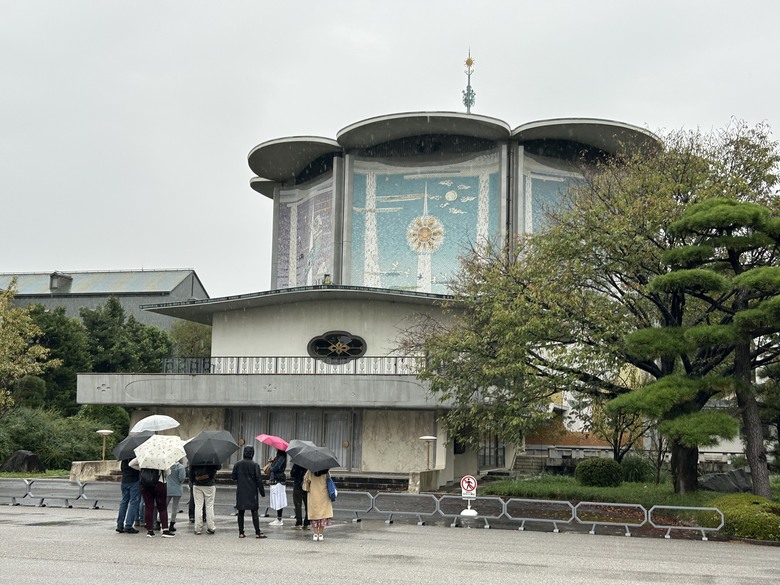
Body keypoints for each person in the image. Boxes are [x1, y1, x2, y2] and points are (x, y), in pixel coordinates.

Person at [130, 458, 174, 538]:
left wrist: (141, 468)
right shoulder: (162, 458)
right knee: (162, 508)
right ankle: (165, 530)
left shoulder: (144, 457)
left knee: (148, 506)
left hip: (145, 484)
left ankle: (150, 530)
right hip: (159, 484)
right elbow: (168, 472)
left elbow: (131, 464)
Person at [231, 446, 267, 539]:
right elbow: (259, 480)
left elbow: (233, 477)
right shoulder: (255, 465)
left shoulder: (237, 464)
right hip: (252, 491)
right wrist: (262, 492)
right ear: (252, 453)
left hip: (241, 490)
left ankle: (241, 532)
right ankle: (257, 532)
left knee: (241, 512)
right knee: (254, 511)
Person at [303, 468, 333, 541]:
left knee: (315, 515)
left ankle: (315, 534)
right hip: (324, 495)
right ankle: (321, 534)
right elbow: (329, 481)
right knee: (323, 514)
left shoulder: (310, 471)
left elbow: (306, 484)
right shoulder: (326, 471)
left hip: (313, 495)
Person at [190, 462, 220, 535]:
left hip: (197, 484)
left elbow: (191, 471)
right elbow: (218, 467)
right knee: (209, 506)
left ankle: (197, 528)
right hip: (209, 484)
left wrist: (194, 480)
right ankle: (211, 527)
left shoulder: (195, 458)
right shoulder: (212, 457)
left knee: (198, 506)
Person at [115, 458, 140, 534]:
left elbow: (122, 469)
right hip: (134, 481)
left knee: (124, 502)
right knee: (133, 503)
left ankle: (120, 524)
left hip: (125, 480)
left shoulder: (124, 458)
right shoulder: (135, 458)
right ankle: (128, 525)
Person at [267, 448, 287, 526]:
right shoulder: (279, 457)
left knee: (278, 499)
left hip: (278, 480)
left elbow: (274, 468)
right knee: (277, 499)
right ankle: (279, 518)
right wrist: (272, 461)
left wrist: (271, 465)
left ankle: (279, 518)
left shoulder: (281, 457)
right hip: (277, 480)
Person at [166, 459, 186, 533]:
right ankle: (172, 523)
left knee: (164, 506)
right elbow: (182, 478)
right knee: (175, 507)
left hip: (168, 488)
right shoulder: (180, 467)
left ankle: (159, 520)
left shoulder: (167, 466)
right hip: (177, 488)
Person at [290, 463, 310, 530]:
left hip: (297, 486)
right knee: (308, 506)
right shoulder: (310, 464)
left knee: (298, 505)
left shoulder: (297, 463)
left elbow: (292, 473)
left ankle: (299, 523)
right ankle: (306, 523)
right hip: (307, 487)